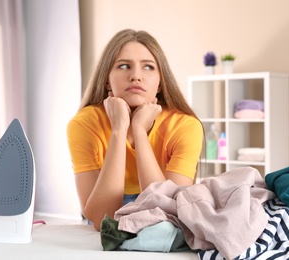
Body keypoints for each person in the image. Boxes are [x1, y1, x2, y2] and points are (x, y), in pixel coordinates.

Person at [67, 29, 203, 231]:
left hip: (164, 221)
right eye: (123, 66)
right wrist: (119, 130)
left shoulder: (185, 126)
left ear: (159, 84)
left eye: (148, 67)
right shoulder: (84, 124)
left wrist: (139, 131)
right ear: (106, 80)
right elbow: (102, 220)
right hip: (104, 223)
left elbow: (166, 216)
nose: (136, 76)